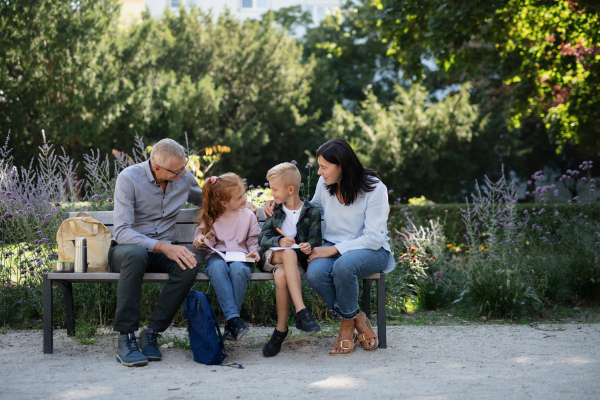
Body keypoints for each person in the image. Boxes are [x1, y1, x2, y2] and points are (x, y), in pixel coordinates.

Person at [264, 139, 395, 355]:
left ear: (341, 165)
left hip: (372, 250)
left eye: (324, 167)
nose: (319, 172)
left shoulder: (375, 188)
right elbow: (313, 210)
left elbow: (374, 238)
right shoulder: (325, 184)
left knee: (343, 266)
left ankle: (346, 327)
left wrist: (334, 249)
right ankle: (357, 317)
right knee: (315, 273)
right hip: (334, 247)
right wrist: (280, 204)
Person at [110, 138, 202, 367]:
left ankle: (151, 332)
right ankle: (126, 336)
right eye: (176, 171)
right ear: (156, 166)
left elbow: (206, 199)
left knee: (188, 264)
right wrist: (162, 246)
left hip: (162, 250)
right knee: (136, 254)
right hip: (126, 252)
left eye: (184, 167)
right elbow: (122, 232)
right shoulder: (129, 178)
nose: (182, 174)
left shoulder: (182, 175)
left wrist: (237, 201)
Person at [258, 162, 323, 357]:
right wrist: (279, 240)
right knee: (287, 253)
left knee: (281, 276)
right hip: (273, 256)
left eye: (275, 189)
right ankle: (301, 311)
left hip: (294, 264)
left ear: (291, 189)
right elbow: (262, 239)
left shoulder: (311, 212)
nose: (272, 193)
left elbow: (314, 241)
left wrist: (308, 246)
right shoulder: (275, 209)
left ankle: (280, 330)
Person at [193, 173, 260, 342]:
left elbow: (253, 240)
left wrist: (255, 251)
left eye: (244, 193)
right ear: (224, 203)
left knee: (238, 270)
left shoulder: (248, 215)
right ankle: (234, 320)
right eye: (239, 197)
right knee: (216, 267)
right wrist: (202, 241)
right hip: (217, 255)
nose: (245, 198)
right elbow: (207, 241)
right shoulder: (212, 217)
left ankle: (232, 322)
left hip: (241, 256)